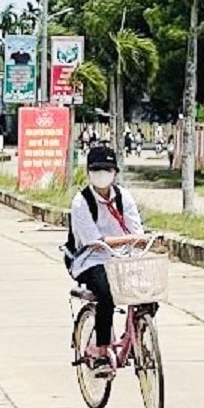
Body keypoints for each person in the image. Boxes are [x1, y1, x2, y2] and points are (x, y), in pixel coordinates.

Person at [66, 143, 148, 378]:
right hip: (89, 260)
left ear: (114, 172)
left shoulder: (124, 197)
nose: (102, 174)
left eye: (107, 169)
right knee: (107, 293)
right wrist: (132, 239)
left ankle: (138, 335)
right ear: (89, 172)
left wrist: (140, 240)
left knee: (149, 293)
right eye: (97, 169)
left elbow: (137, 231)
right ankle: (102, 351)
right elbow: (93, 240)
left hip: (121, 258)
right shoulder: (81, 202)